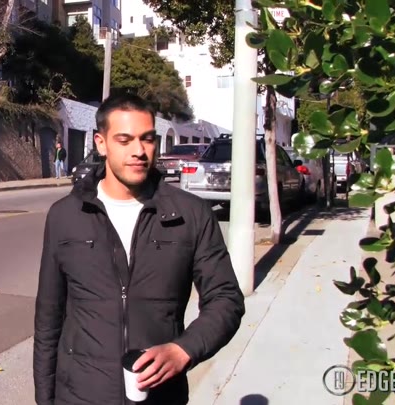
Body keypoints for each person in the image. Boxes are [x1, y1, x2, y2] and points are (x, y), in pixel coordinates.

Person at [33, 93, 246, 405]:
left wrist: (183, 349)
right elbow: (48, 319)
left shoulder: (191, 214)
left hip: (160, 396)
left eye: (147, 139)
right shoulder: (65, 216)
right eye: (124, 140)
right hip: (80, 394)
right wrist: (45, 399)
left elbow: (226, 299)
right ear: (101, 143)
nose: (139, 151)